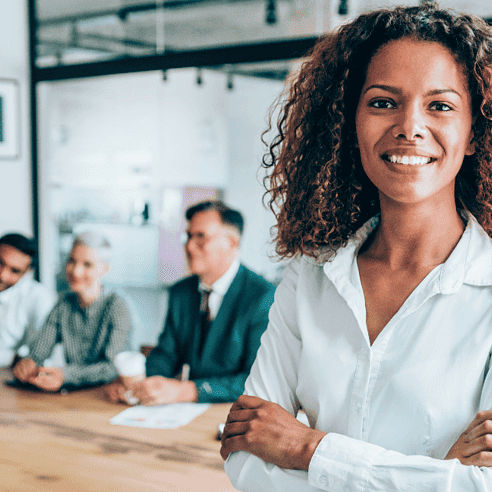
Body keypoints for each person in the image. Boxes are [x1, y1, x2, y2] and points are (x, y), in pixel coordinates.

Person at [220, 2, 492, 490]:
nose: (410, 126)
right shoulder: (309, 276)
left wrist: (307, 448)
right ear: (351, 123)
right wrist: (436, 475)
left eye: (441, 105)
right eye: (383, 102)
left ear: (474, 133)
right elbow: (246, 456)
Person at [106, 200, 275, 404]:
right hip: (185, 415)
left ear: (232, 242)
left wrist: (187, 391)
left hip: (235, 414)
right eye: (188, 236)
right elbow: (167, 354)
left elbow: (257, 380)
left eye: (201, 237)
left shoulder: (263, 297)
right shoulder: (181, 292)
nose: (189, 246)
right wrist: (137, 384)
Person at [13, 231, 132, 391]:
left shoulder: (117, 307)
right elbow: (39, 350)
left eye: (87, 264)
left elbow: (113, 368)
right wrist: (29, 363)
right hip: (72, 397)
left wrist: (65, 375)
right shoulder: (63, 304)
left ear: (105, 269)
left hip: (108, 395)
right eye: (71, 261)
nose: (76, 271)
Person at [0, 233, 56, 367]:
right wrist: (12, 357)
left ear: (27, 272)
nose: (2, 275)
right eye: (0, 263)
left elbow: (37, 356)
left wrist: (17, 359)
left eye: (14, 271)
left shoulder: (38, 298)